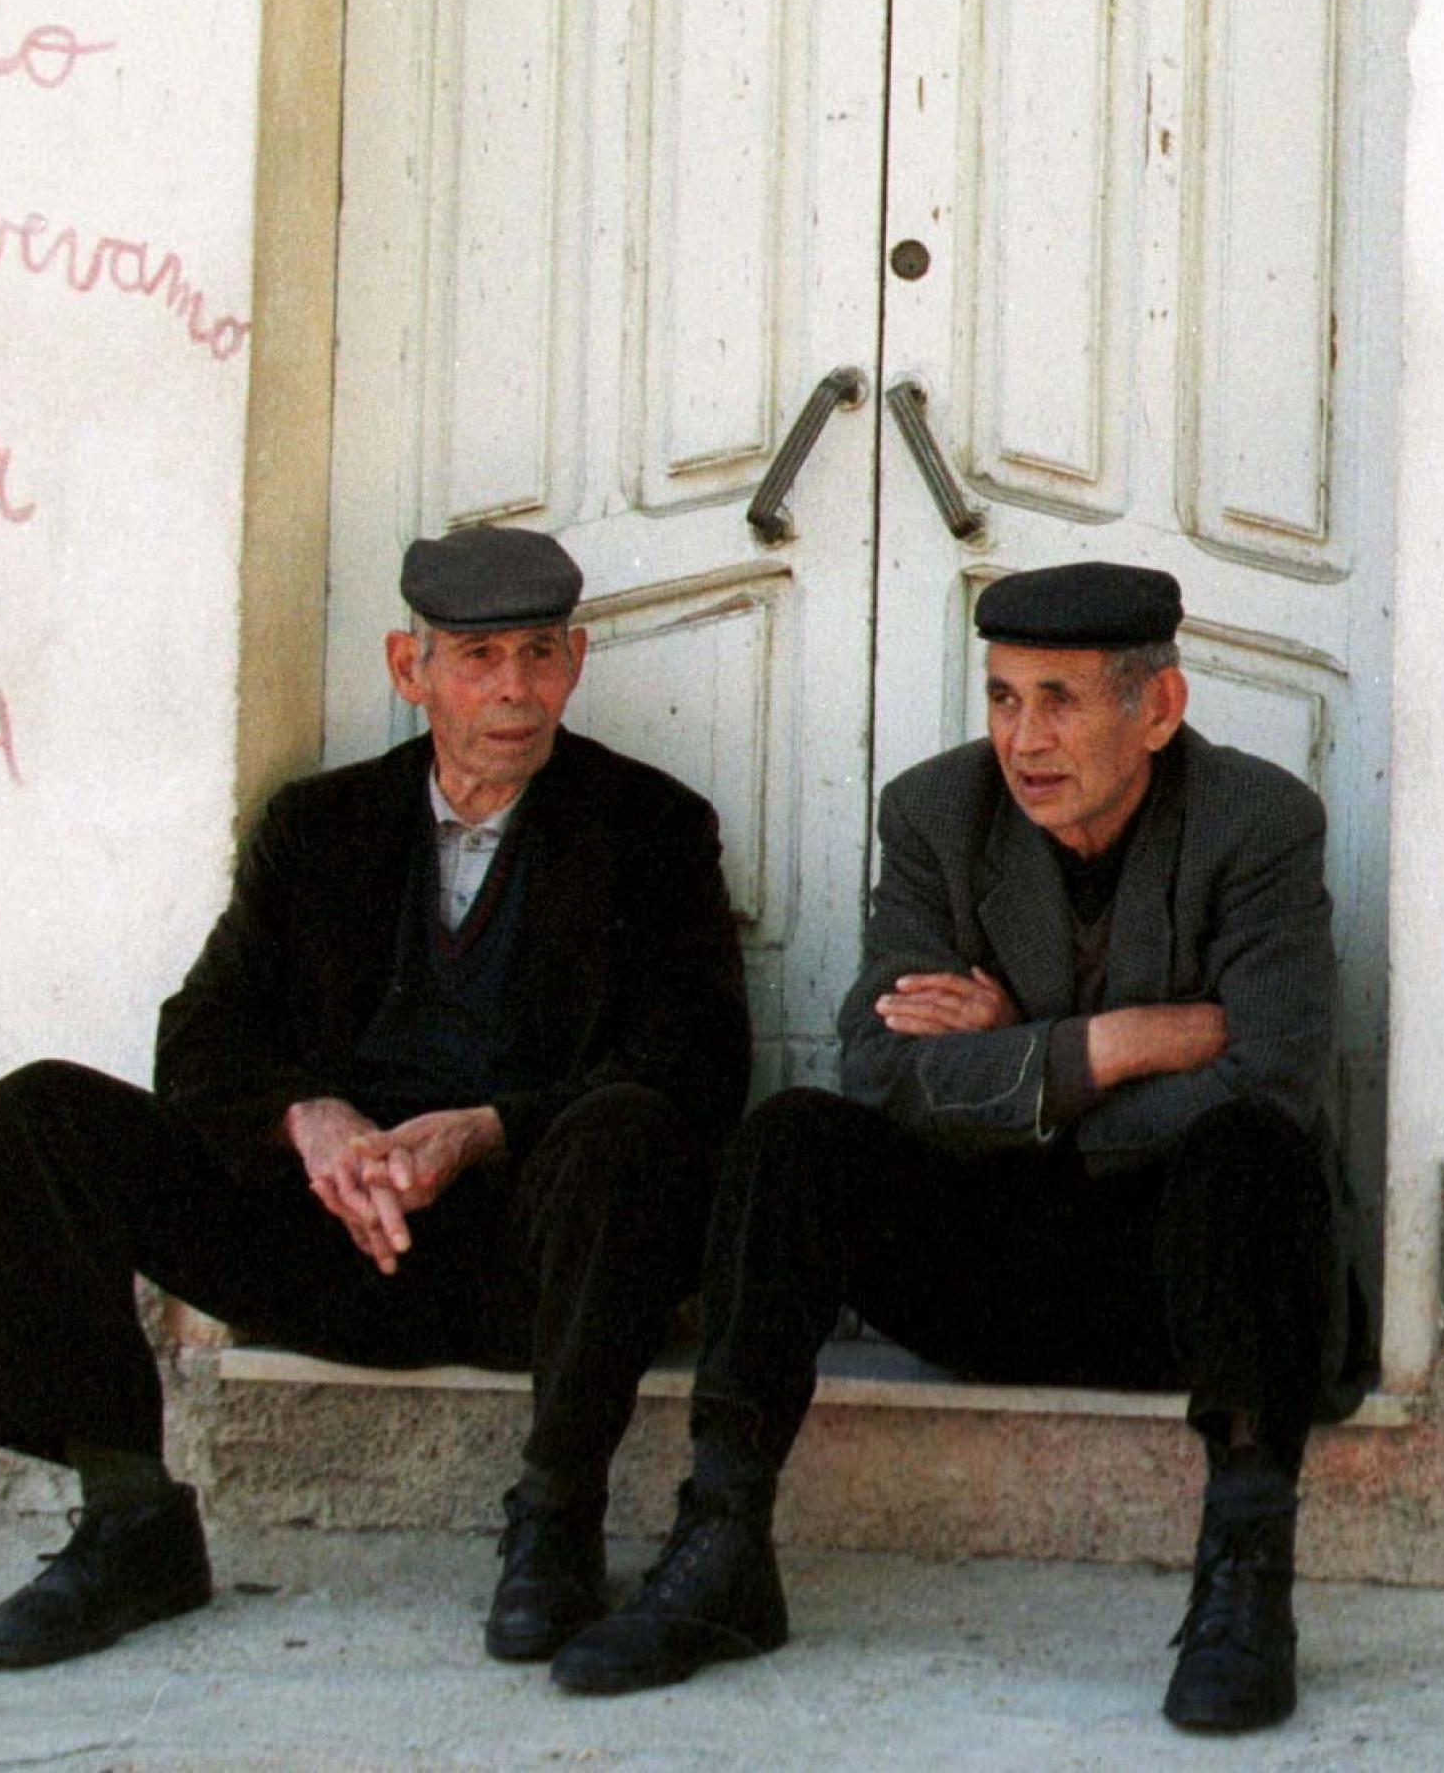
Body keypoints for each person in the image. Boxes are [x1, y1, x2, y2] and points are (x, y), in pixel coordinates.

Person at [549, 560, 1362, 1735]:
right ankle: (722, 1540)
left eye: (1059, 699)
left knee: (1247, 1149)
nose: (1021, 737)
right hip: (995, 1270)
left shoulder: (1257, 820)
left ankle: (1243, 1577)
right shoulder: (937, 811)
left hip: (1184, 1288)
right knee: (794, 1139)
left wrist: (1013, 1071)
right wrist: (1114, 1042)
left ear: (1158, 708)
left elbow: (1270, 1073)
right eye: (1000, 697)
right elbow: (879, 1067)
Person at [0, 527, 750, 1670]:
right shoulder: (317, 825)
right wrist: (311, 1120)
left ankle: (554, 1517)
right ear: (408, 666)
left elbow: (695, 1062)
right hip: (327, 1239)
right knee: (36, 1111)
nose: (515, 691)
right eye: (477, 658)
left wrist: (488, 1131)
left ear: (576, 661)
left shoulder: (651, 828)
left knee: (630, 1131)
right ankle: (131, 1517)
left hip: (524, 1263)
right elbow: (201, 1037)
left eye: (539, 654)